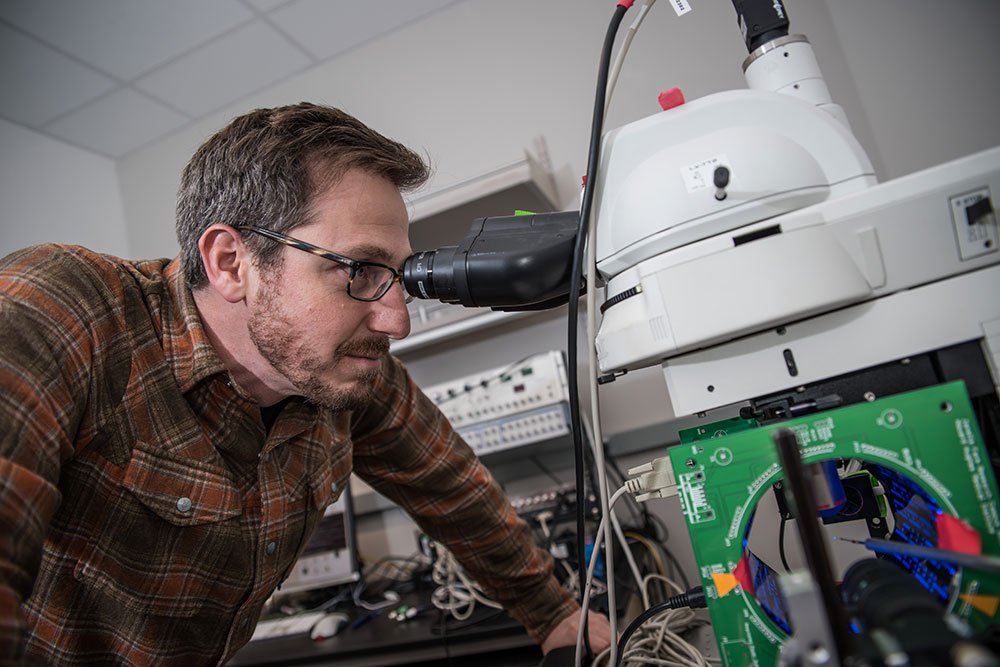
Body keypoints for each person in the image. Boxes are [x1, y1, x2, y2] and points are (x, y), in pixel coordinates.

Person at [0, 102, 611, 665]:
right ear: (231, 263)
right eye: (359, 270)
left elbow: (454, 491)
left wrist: (555, 614)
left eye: (397, 276)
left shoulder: (345, 375)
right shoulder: (65, 308)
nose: (395, 322)